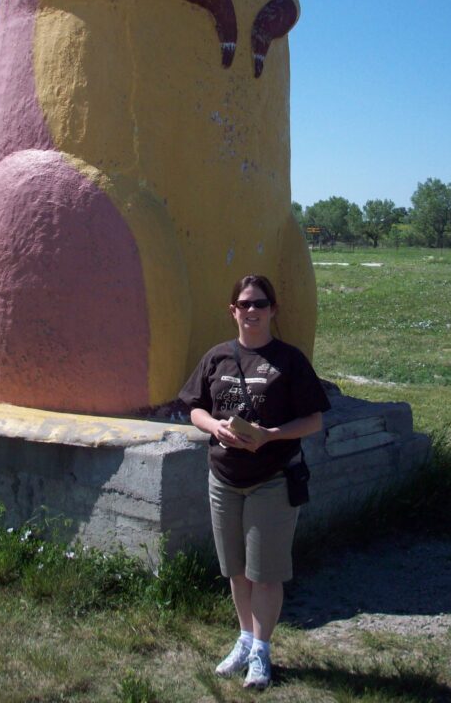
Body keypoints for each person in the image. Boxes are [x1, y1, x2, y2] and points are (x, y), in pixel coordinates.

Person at [179, 274, 331, 690]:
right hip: (224, 478)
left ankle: (262, 652)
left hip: (272, 479)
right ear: (233, 311)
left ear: (272, 310)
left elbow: (314, 420)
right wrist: (215, 427)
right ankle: (245, 639)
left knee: (265, 573)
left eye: (260, 304)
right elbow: (194, 408)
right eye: (244, 304)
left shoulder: (289, 360)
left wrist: (270, 435)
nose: (252, 311)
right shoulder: (217, 358)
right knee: (237, 570)